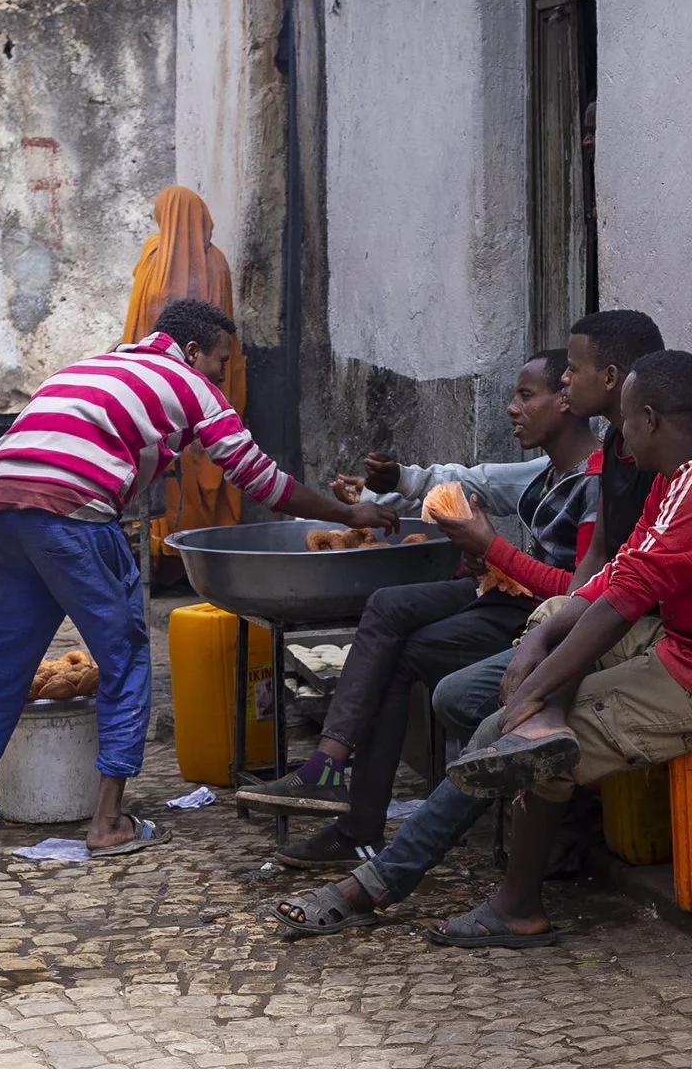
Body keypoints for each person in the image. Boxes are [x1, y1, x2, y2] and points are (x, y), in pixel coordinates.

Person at [276, 343, 692, 947]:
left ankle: (385, 887)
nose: (617, 435)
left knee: (515, 739)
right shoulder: (677, 478)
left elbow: (623, 602)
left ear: (650, 421)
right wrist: (538, 649)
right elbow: (609, 580)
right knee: (543, 660)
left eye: (626, 419)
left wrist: (532, 689)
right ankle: (518, 830)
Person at [0, 297, 398, 854]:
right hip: (75, 511)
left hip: (7, 499)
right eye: (220, 362)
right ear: (192, 350)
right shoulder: (189, 384)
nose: (223, 376)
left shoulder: (101, 363)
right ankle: (107, 823)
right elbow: (258, 479)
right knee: (125, 657)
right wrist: (349, 514)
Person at [237, 350, 599, 871]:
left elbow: (580, 593)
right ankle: (330, 766)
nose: (511, 408)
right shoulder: (546, 471)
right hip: (511, 593)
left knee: (403, 650)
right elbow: (472, 481)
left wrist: (493, 549)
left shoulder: (596, 484)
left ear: (566, 400)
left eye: (525, 395)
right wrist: (404, 486)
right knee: (386, 606)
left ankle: (354, 821)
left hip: (546, 618)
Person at [119, 186, 247, 556]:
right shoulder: (217, 261)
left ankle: (160, 554)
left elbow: (138, 324)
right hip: (211, 372)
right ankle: (208, 553)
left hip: (155, 380)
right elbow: (223, 330)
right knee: (213, 454)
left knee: (163, 466)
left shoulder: (153, 256)